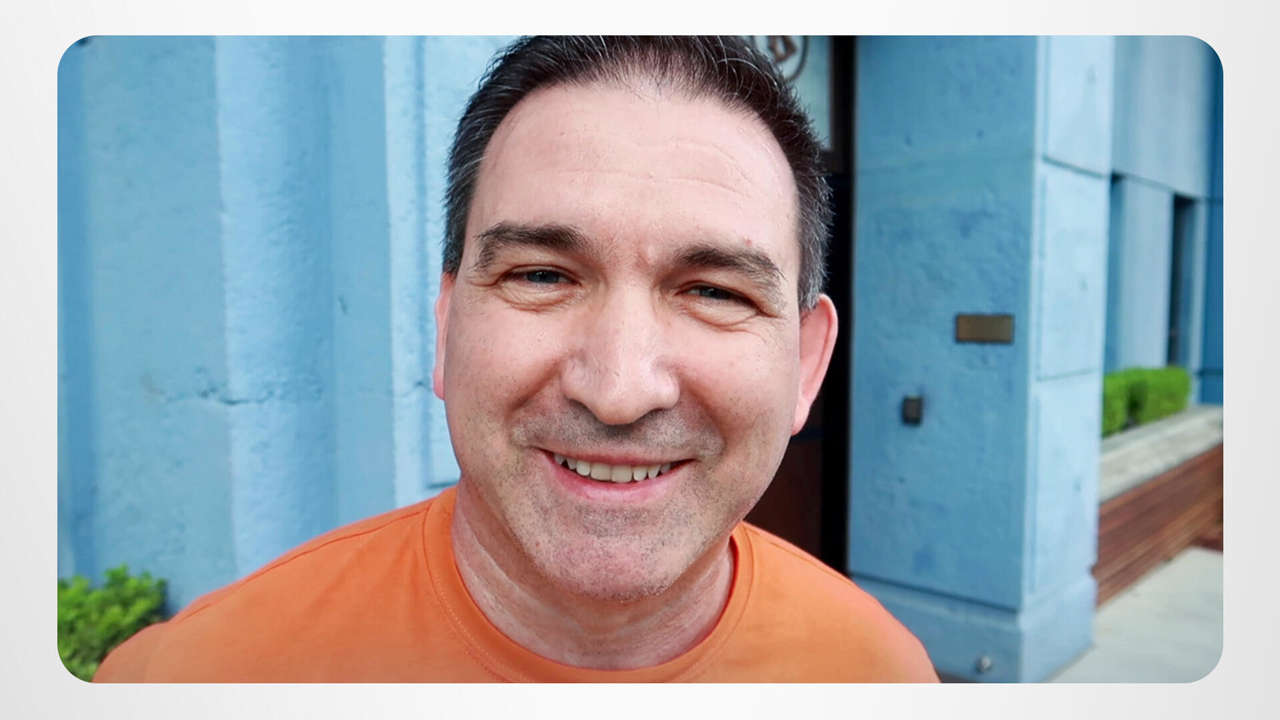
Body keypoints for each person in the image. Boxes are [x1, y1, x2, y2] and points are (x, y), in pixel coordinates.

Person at [95, 36, 937, 682]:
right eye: (541, 276)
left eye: (715, 291)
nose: (618, 390)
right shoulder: (203, 677)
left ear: (806, 366)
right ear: (446, 328)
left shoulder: (879, 675)